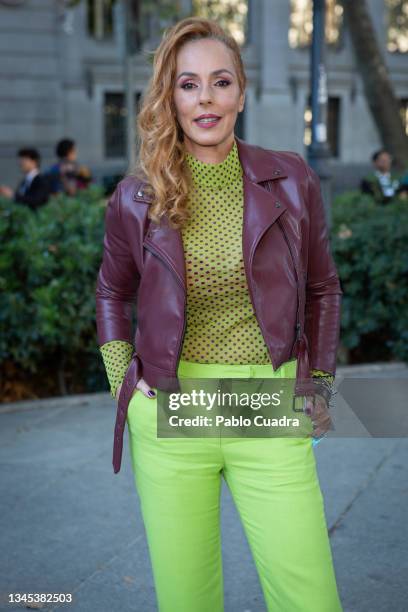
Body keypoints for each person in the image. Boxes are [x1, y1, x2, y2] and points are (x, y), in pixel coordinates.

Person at [95, 17, 343, 612]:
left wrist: (322, 384)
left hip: (267, 406)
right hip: (171, 414)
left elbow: (324, 288)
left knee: (310, 597)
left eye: (220, 81)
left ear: (242, 92)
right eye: (188, 84)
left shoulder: (291, 179)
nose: (205, 98)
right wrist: (123, 385)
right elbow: (111, 292)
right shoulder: (137, 196)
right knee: (187, 600)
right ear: (169, 96)